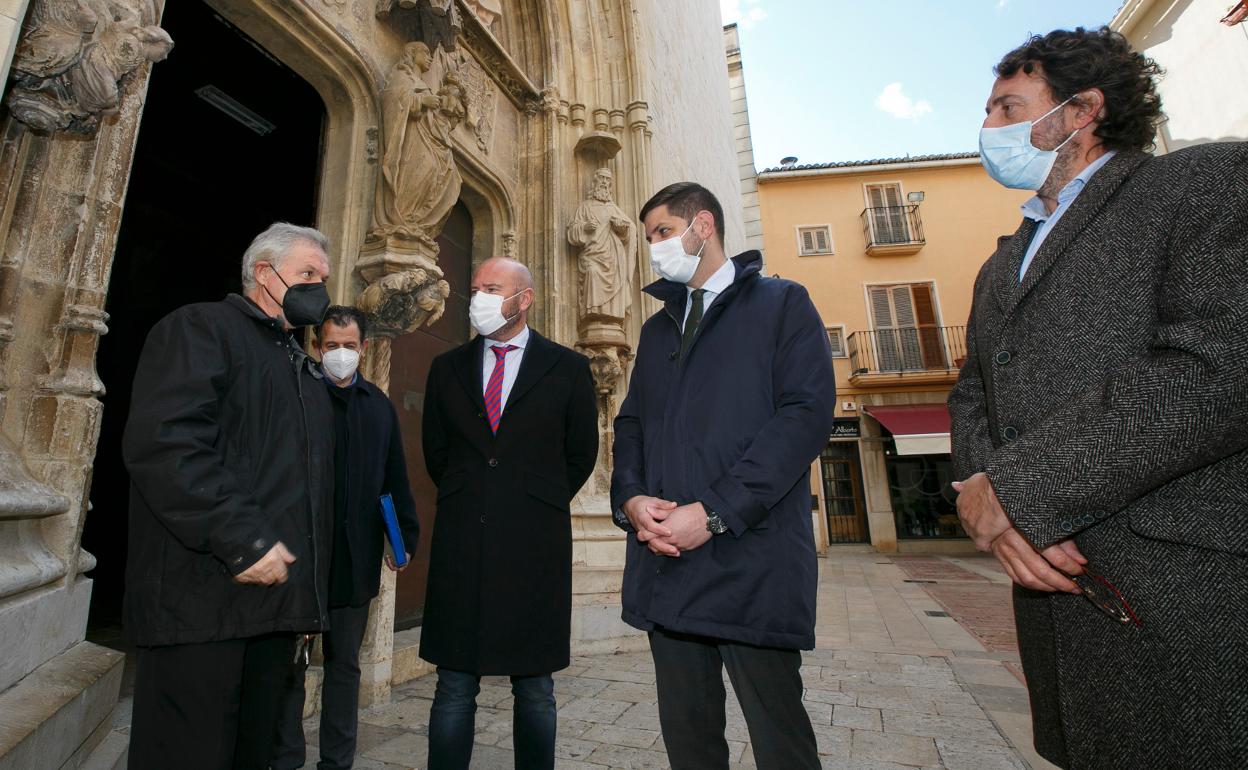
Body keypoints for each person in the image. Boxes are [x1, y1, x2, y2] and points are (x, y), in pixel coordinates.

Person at [948, 27, 1248, 770]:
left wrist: (1019, 490)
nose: (989, 129)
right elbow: (973, 393)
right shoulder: (1003, 260)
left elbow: (1218, 365)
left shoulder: (1203, 183)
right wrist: (995, 510)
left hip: (1182, 595)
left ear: (1080, 111)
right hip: (1055, 606)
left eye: (1007, 107)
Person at [611, 182, 835, 770]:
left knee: (779, 737)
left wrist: (713, 513)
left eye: (662, 232)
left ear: (702, 226)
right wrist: (632, 499)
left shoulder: (782, 304)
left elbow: (804, 417)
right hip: (667, 564)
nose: (654, 247)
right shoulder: (658, 329)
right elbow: (631, 422)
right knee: (689, 741)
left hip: (751, 563)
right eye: (650, 237)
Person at [122, 222, 334, 770]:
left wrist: (308, 594)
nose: (321, 288)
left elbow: (302, 491)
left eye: (324, 278)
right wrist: (242, 540)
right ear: (265, 274)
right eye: (308, 274)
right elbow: (167, 445)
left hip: (272, 612)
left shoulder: (303, 370)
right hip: (200, 602)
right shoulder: (200, 328)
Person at [419, 257, 598, 770]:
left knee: (536, 687)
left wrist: (530, 501)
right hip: (462, 543)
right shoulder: (445, 367)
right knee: (453, 684)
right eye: (475, 287)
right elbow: (437, 452)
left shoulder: (568, 368)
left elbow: (579, 454)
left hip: (535, 546)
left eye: (491, 288)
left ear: (525, 299)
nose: (477, 296)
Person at [271, 305, 421, 770]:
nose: (340, 354)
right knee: (290, 666)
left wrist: (402, 540)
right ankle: (286, 756)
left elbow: (393, 476)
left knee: (344, 666)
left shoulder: (378, 406)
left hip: (354, 558)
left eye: (349, 347)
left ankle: (337, 761)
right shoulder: (297, 396)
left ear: (364, 348)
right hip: (302, 557)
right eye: (331, 346)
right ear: (317, 347)